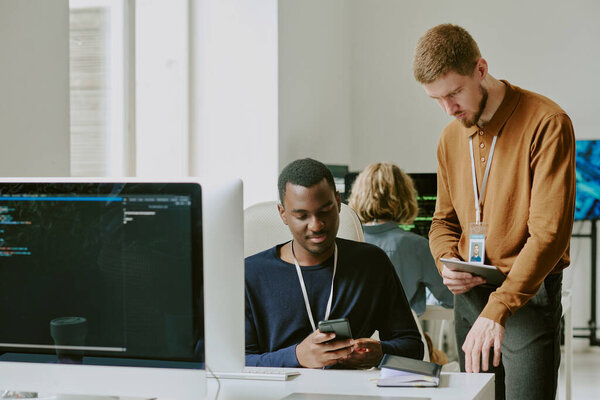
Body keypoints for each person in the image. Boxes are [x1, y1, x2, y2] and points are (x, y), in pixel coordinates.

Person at [413, 24, 575, 400]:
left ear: (480, 70)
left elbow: (549, 235)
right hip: (469, 295)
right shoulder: (450, 137)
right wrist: (446, 262)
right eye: (436, 99)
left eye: (454, 93)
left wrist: (498, 308)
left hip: (526, 296)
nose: (448, 109)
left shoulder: (547, 124)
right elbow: (443, 222)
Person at [245, 158, 424, 368]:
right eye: (302, 216)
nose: (316, 225)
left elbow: (413, 348)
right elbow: (235, 363)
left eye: (324, 211)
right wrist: (297, 357)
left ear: (338, 202)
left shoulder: (372, 263)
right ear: (283, 214)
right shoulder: (251, 273)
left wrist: (380, 352)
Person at [347, 162, 453, 317]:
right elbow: (450, 299)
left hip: (353, 338)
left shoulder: (344, 243)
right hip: (402, 338)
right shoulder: (419, 246)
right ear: (405, 197)